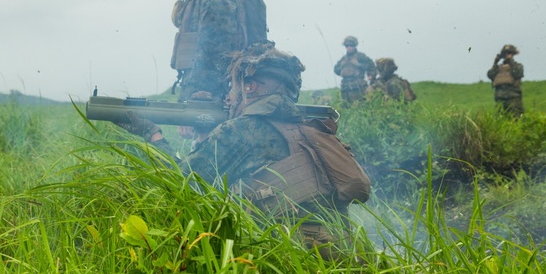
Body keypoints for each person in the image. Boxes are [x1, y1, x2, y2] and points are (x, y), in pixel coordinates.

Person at [121, 43, 371, 255]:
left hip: (290, 260)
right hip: (342, 253)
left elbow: (179, 185)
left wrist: (151, 135)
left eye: (234, 85)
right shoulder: (311, 129)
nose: (231, 94)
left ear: (249, 87)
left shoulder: (242, 130)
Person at [333, 36, 376, 104]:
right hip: (345, 86)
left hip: (358, 85)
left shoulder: (361, 56)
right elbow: (336, 69)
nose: (349, 47)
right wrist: (341, 66)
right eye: (347, 46)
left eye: (351, 45)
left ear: (355, 46)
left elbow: (371, 65)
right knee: (346, 106)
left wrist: (360, 66)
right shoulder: (343, 58)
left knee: (359, 105)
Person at [487, 44, 524, 117]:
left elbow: (517, 73)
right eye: (505, 53)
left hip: (513, 99)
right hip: (500, 99)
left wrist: (510, 61)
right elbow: (490, 74)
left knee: (515, 120)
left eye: (509, 53)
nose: (507, 55)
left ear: (513, 54)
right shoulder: (498, 68)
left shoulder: (517, 66)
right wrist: (495, 62)